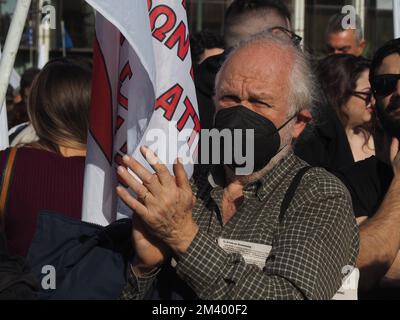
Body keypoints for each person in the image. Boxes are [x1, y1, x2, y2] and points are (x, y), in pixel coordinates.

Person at [118, 34, 359, 300]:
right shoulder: (186, 182)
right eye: (230, 98)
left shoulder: (318, 195)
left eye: (259, 102)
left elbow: (289, 296)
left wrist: (183, 237)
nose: (241, 113)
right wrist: (144, 269)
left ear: (298, 122)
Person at [0, 58, 91, 257]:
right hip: (103, 287)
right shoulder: (120, 174)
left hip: (22, 286)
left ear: (37, 109)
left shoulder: (8, 164)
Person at [195, 0, 297, 130]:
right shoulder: (290, 100)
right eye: (292, 39)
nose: (295, 49)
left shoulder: (181, 97)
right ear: (277, 35)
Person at [353, 38, 400, 297]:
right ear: (373, 98)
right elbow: (357, 267)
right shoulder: (344, 182)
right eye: (386, 84)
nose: (399, 91)